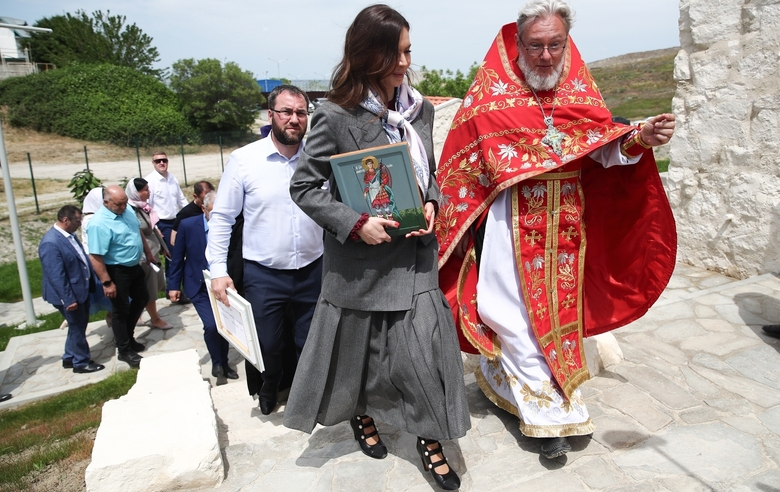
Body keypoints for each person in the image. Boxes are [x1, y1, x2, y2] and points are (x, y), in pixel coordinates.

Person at [435, 0, 677, 461]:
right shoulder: (490, 100)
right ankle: (548, 416)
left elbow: (601, 146)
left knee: (559, 314)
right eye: (536, 46)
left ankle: (543, 395)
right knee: (514, 316)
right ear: (518, 45)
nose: (546, 56)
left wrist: (639, 139)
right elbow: (463, 165)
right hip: (511, 227)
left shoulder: (579, 95)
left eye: (555, 45)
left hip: (568, 224)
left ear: (567, 44)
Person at [282, 6, 469, 490]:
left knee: (423, 353)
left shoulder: (419, 110)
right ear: (371, 55)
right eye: (398, 52)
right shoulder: (335, 115)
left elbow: (427, 172)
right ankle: (360, 415)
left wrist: (431, 203)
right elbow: (305, 187)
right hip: (361, 264)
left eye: (409, 50)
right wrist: (356, 222)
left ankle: (431, 440)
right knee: (357, 355)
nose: (407, 62)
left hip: (415, 256)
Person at [208, 84, 324, 415]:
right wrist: (218, 270)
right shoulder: (244, 161)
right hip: (264, 274)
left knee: (309, 343)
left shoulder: (318, 162)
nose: (294, 119)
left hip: (312, 270)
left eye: (301, 112)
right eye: (287, 111)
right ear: (270, 115)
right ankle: (270, 382)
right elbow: (221, 219)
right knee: (267, 346)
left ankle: (305, 400)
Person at [169, 191, 238, 382]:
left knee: (224, 325)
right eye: (212, 212)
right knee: (211, 325)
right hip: (198, 284)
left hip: (223, 285)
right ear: (203, 209)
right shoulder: (188, 225)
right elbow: (177, 257)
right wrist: (173, 285)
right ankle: (217, 362)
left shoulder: (230, 225)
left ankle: (224, 363)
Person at [87, 185, 154, 368]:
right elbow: (95, 256)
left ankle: (128, 335)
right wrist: (107, 282)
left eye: (125, 203)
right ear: (106, 202)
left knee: (142, 299)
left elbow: (137, 230)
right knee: (120, 310)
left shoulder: (127, 210)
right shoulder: (99, 223)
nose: (124, 207)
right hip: (116, 270)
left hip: (134, 266)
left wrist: (147, 253)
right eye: (119, 204)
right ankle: (124, 349)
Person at [39, 205, 105, 374]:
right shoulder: (51, 243)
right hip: (68, 295)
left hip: (80, 289)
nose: (79, 223)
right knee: (77, 327)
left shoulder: (69, 236)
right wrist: (68, 299)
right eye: (77, 220)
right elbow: (56, 275)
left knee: (78, 325)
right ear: (65, 220)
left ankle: (69, 357)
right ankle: (81, 362)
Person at [126, 178, 173, 330]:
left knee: (152, 285)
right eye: (145, 190)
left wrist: (164, 247)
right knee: (148, 287)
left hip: (153, 252)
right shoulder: (130, 211)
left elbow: (153, 228)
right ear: (136, 192)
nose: (148, 192)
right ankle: (155, 318)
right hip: (145, 257)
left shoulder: (144, 207)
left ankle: (141, 313)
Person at [144, 151, 188, 295]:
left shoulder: (172, 178)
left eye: (164, 160)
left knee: (181, 254)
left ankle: (179, 287)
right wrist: (155, 228)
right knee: (173, 256)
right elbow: (147, 208)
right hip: (162, 224)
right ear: (153, 163)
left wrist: (191, 214)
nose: (162, 163)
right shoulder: (150, 181)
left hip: (176, 221)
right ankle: (173, 289)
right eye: (158, 161)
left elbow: (181, 199)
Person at [170, 180, 215, 247]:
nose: (207, 203)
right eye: (204, 200)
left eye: (210, 200)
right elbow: (173, 240)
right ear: (195, 196)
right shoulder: (185, 214)